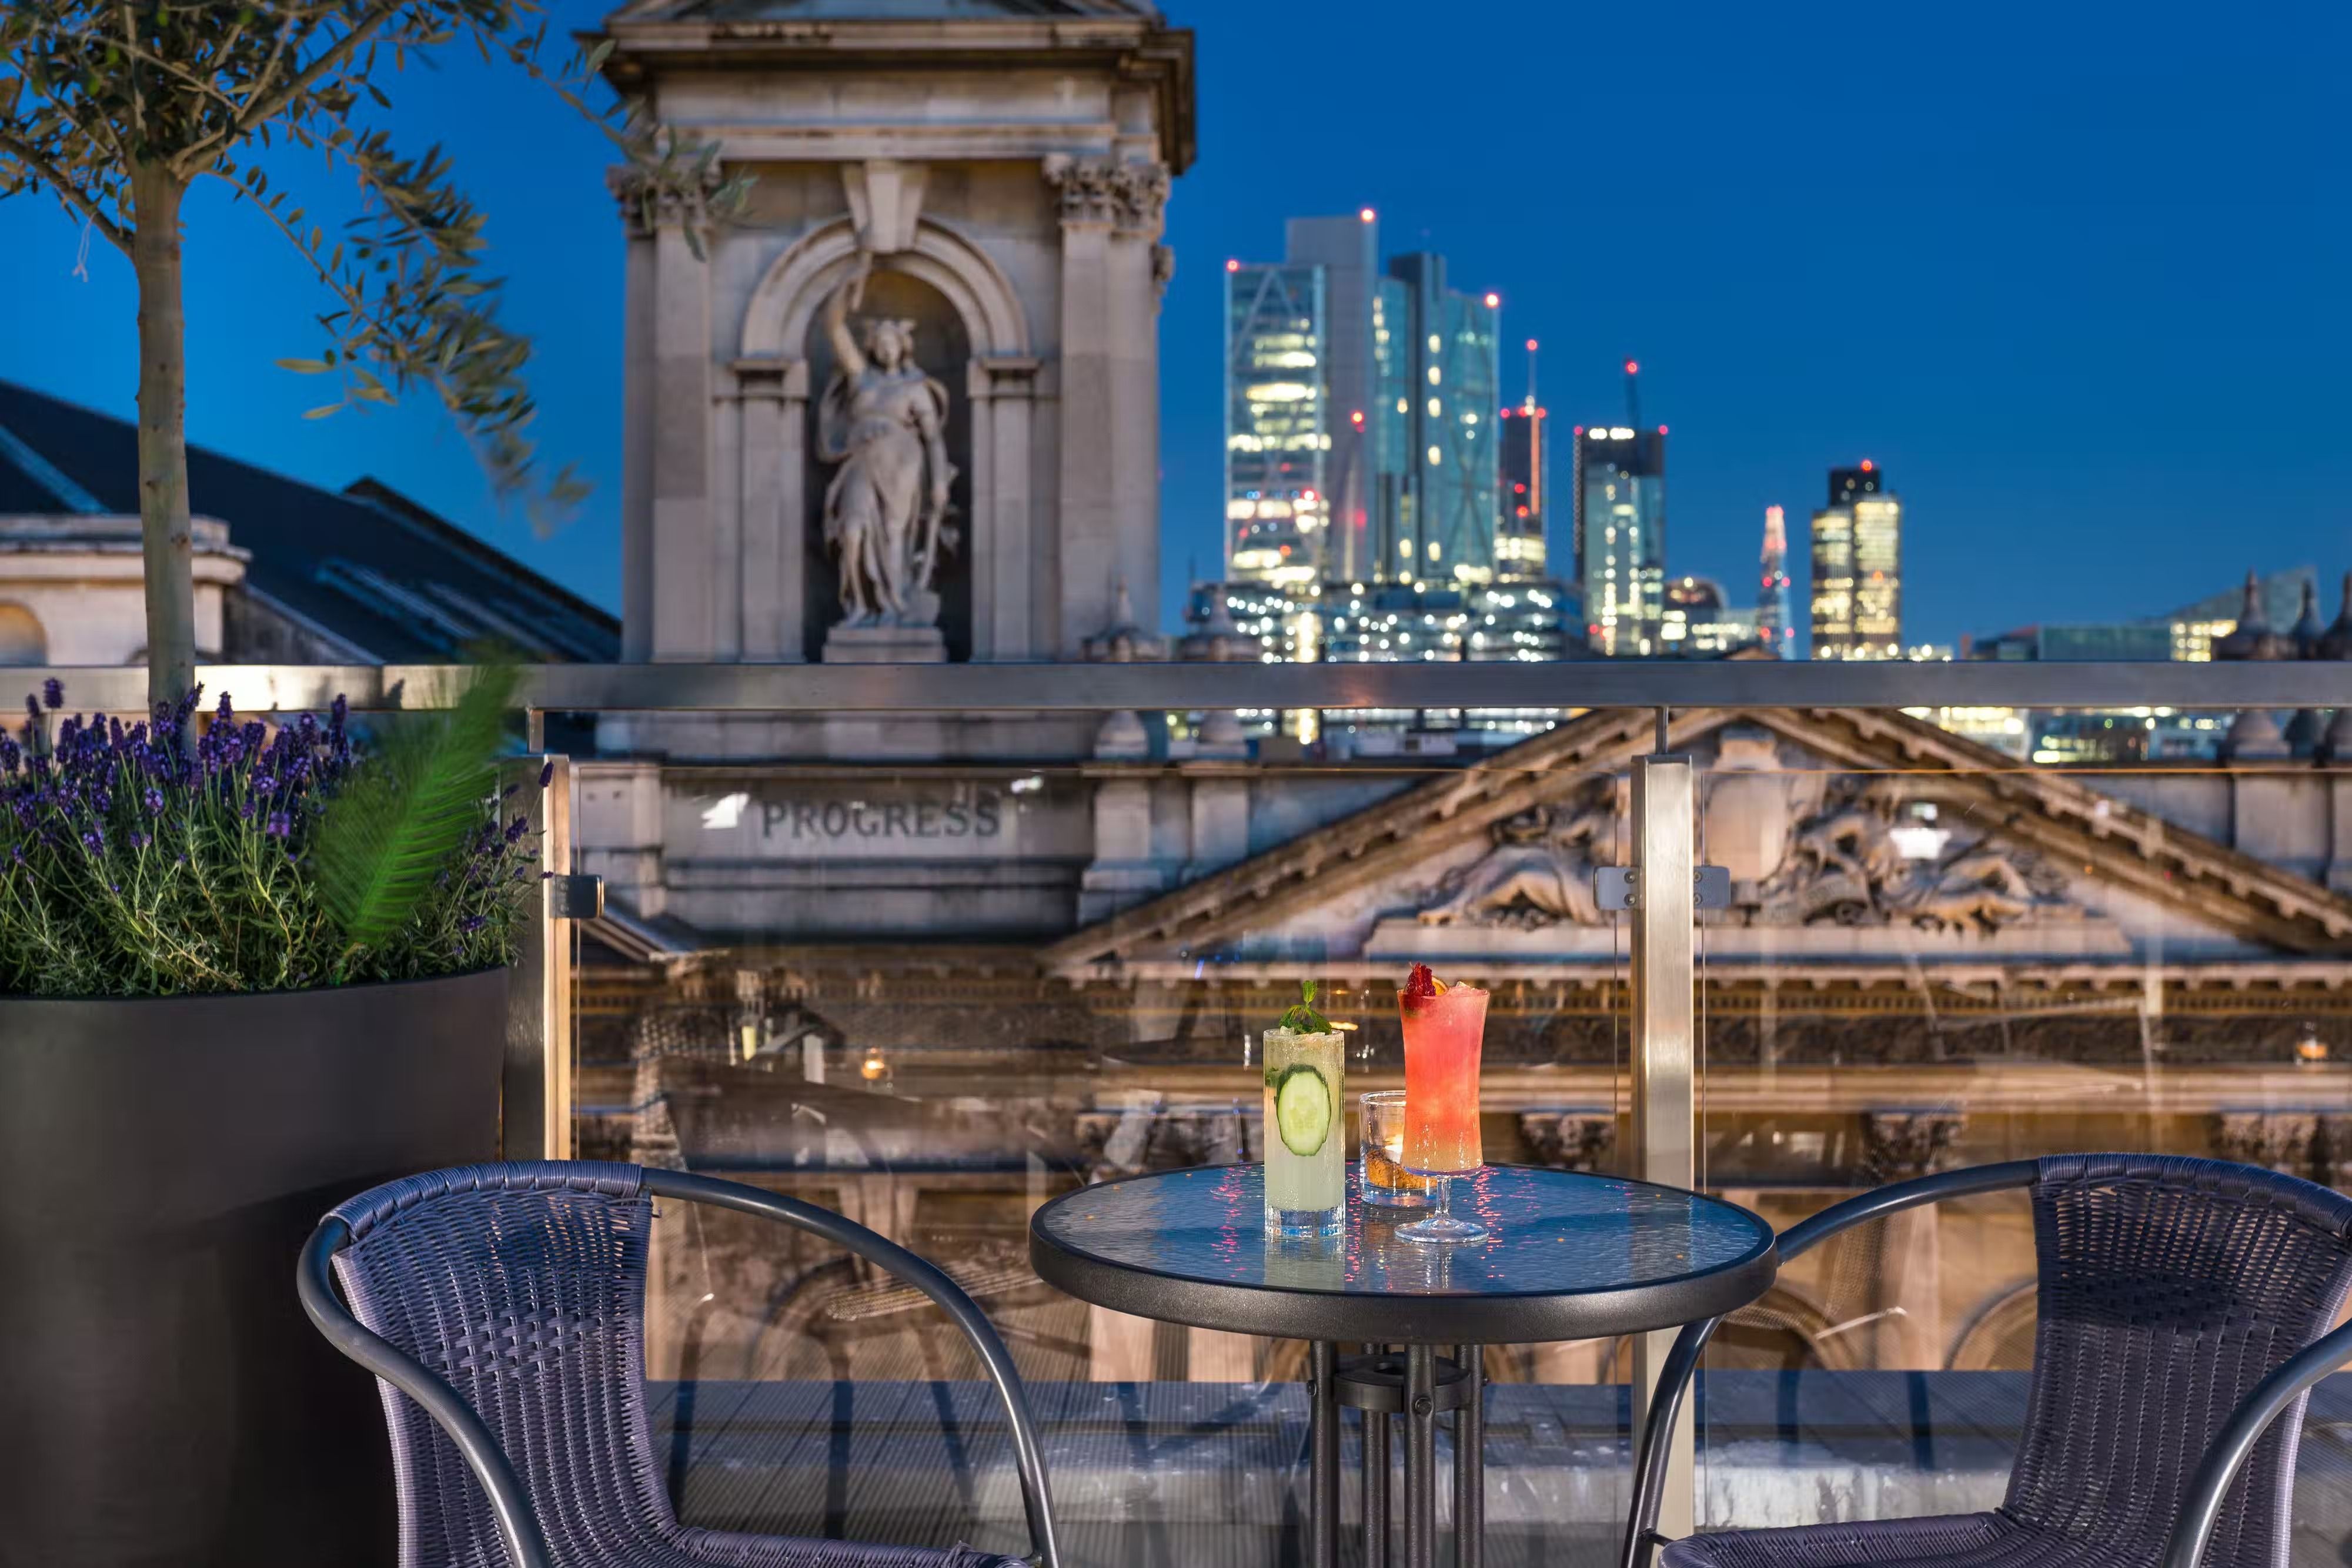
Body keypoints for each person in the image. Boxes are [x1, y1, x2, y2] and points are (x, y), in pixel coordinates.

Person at [816, 252, 956, 627]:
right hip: (861, 459)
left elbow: (934, 439)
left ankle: (894, 608)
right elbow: (833, 326)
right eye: (879, 341)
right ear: (872, 347)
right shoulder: (861, 377)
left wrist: (940, 482)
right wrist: (854, 273)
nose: (885, 347)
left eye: (891, 341)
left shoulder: (915, 387)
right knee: (852, 530)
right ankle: (860, 606)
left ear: (903, 345)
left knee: (896, 532)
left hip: (903, 462)